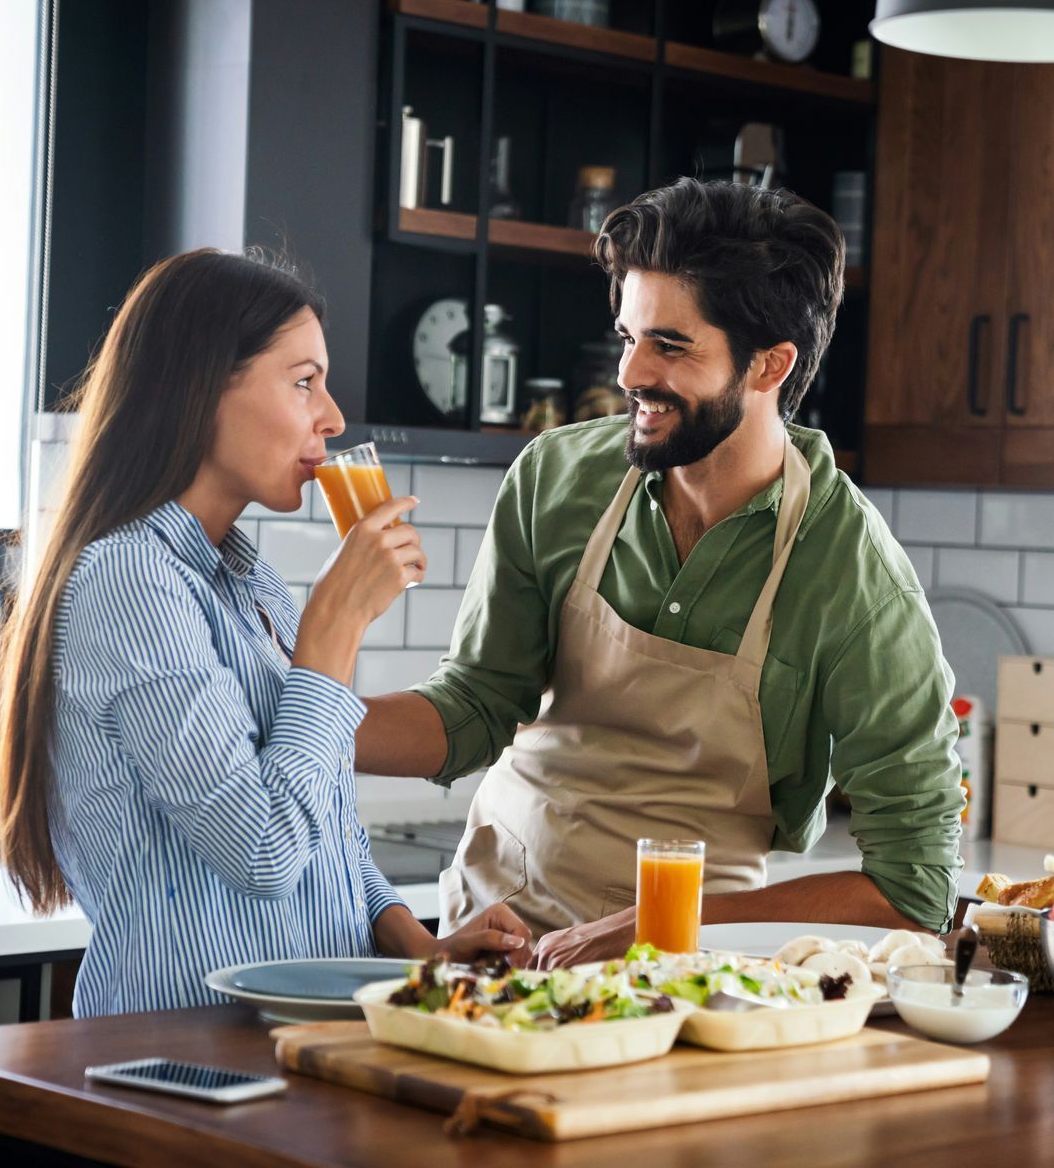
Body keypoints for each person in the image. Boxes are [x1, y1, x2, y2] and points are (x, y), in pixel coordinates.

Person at [354, 178, 965, 967]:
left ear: (769, 365)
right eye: (627, 334)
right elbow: (476, 705)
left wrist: (657, 922)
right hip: (494, 938)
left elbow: (912, 889)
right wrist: (298, 723)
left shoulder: (851, 573)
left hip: (689, 969)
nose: (630, 370)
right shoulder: (556, 477)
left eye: (669, 345)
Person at [0, 249, 529, 1015]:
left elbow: (323, 832)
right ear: (201, 385)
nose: (333, 416)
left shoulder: (246, 582)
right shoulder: (130, 582)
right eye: (303, 380)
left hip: (297, 1040)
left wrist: (420, 944)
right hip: (190, 1057)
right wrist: (333, 629)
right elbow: (264, 849)